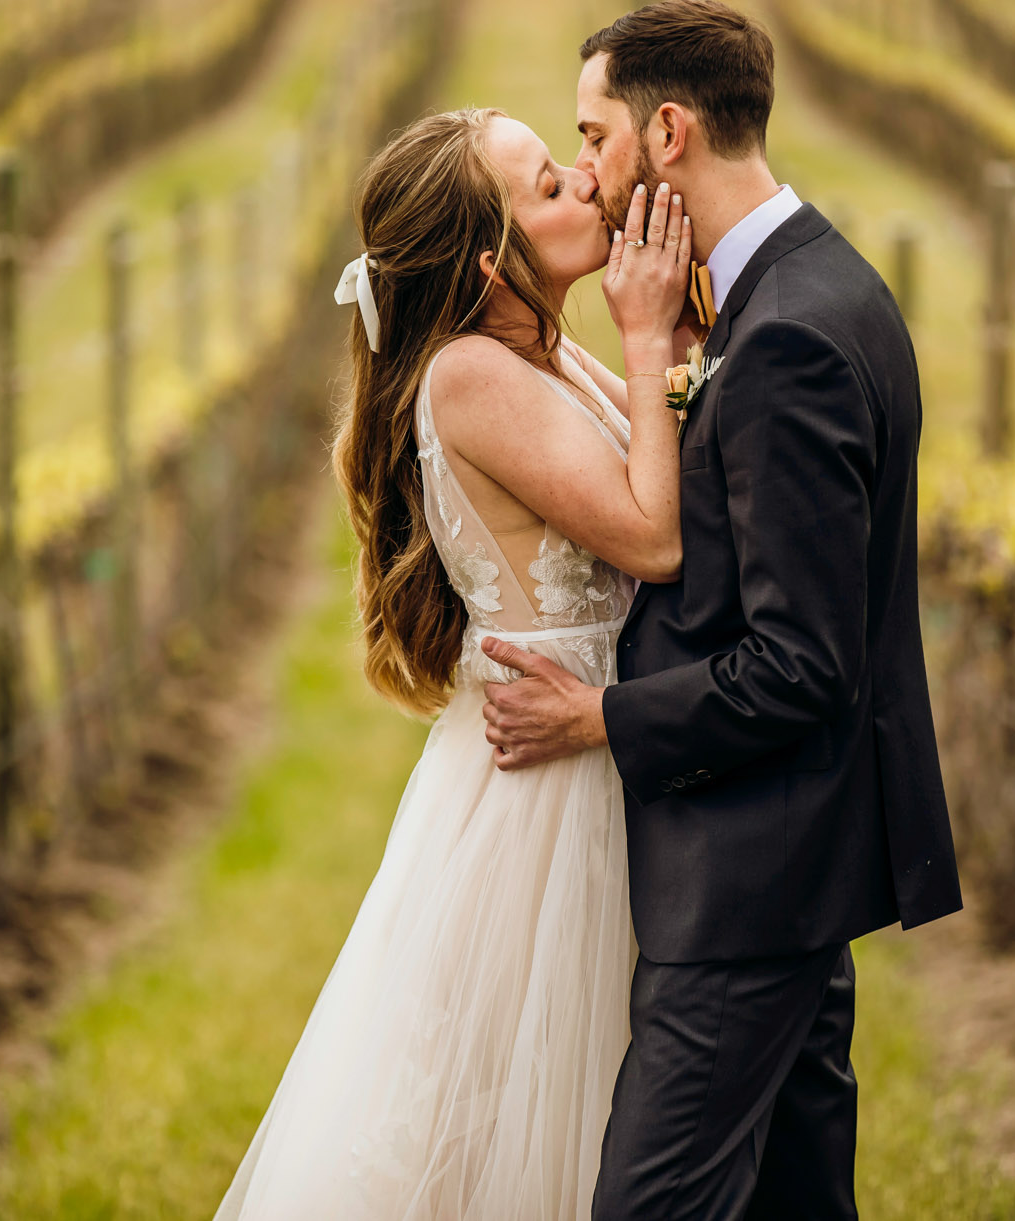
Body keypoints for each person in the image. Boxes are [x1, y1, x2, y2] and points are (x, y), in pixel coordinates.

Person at [480, 0, 963, 1220]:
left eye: (593, 138)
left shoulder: (785, 342)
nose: (584, 172)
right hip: (793, 868)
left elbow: (800, 664)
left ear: (670, 133)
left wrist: (601, 715)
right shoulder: (806, 286)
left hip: (750, 883)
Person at [209, 104, 693, 1219]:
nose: (582, 180)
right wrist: (653, 339)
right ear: (490, 263)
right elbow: (656, 534)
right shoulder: (470, 377)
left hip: (596, 748)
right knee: (506, 1119)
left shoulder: (545, 348)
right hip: (550, 794)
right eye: (547, 186)